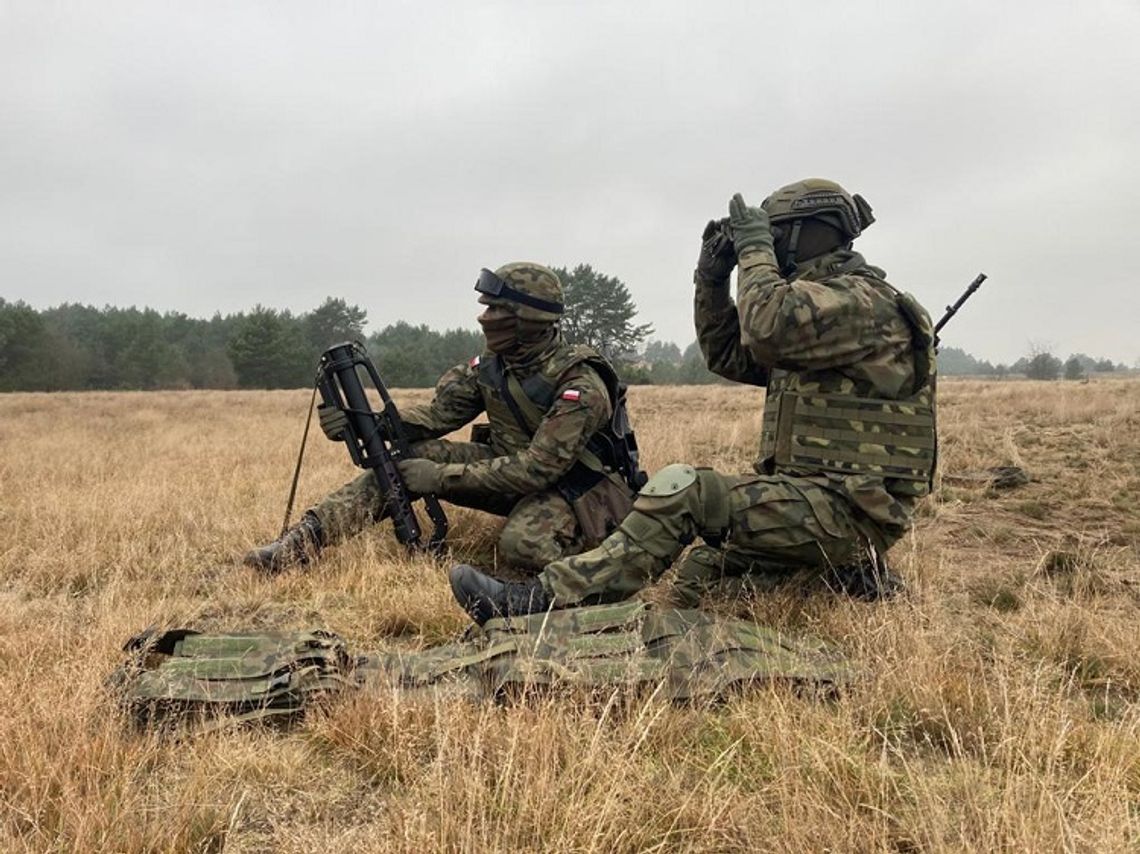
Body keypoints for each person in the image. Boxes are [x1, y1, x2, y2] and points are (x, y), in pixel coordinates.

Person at [450, 179, 938, 625]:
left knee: (688, 492)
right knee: (703, 573)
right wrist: (711, 277)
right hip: (818, 506)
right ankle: (846, 577)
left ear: (803, 235)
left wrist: (751, 246)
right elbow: (728, 354)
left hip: (850, 510)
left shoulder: (862, 302)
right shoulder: (823, 317)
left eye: (774, 235)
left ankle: (545, 599)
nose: (767, 247)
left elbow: (766, 328)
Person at [245, 262, 642, 574]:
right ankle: (303, 541)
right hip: (509, 471)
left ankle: (600, 565)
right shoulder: (492, 365)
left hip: (576, 489)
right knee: (405, 461)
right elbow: (438, 415)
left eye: (496, 309)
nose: (485, 317)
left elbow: (538, 470)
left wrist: (437, 477)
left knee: (521, 545)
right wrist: (369, 423)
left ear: (528, 317)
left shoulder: (580, 383)